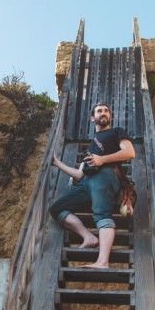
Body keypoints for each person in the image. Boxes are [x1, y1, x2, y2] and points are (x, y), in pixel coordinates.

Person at [48, 102, 135, 269]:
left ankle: (103, 262)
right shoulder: (91, 145)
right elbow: (79, 174)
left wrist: (102, 159)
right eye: (99, 111)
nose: (103, 113)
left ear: (110, 116)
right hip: (87, 181)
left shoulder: (116, 132)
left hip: (106, 175)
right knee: (57, 209)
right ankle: (88, 237)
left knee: (102, 215)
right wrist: (56, 163)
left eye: (106, 111)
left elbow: (129, 152)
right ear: (92, 118)